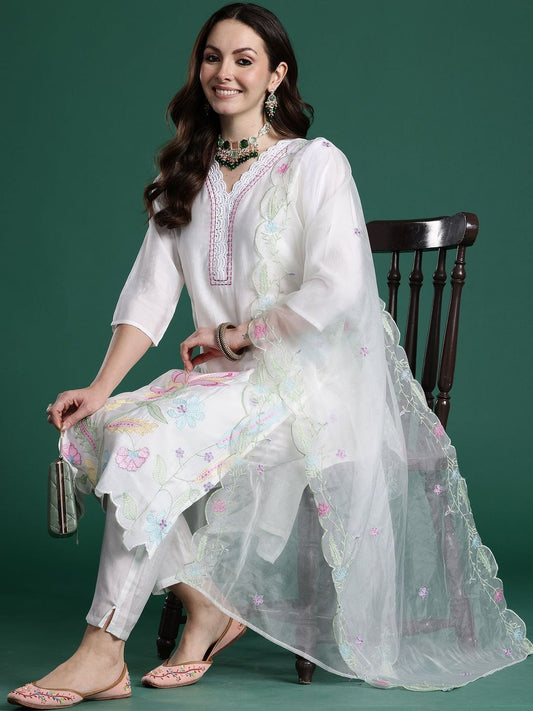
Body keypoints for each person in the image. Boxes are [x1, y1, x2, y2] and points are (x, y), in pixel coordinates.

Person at [8, 3, 531, 707]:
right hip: (220, 388)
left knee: (142, 446)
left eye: (244, 59)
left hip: (307, 387)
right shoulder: (183, 177)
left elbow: (339, 288)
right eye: (212, 57)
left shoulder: (313, 164)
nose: (223, 72)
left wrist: (237, 335)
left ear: (276, 75)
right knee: (103, 427)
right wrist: (100, 386)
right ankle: (204, 605)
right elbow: (148, 295)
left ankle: (102, 650)